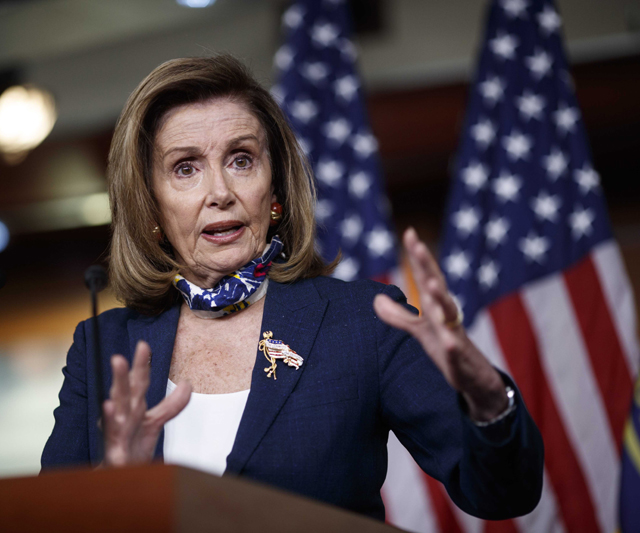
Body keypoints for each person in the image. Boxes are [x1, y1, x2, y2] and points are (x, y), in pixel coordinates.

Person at [41, 55, 543, 521]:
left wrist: (488, 401)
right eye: (185, 168)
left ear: (275, 188)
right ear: (150, 205)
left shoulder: (363, 322)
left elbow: (502, 493)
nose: (220, 193)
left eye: (241, 159)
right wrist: (112, 490)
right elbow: (46, 521)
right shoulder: (101, 349)